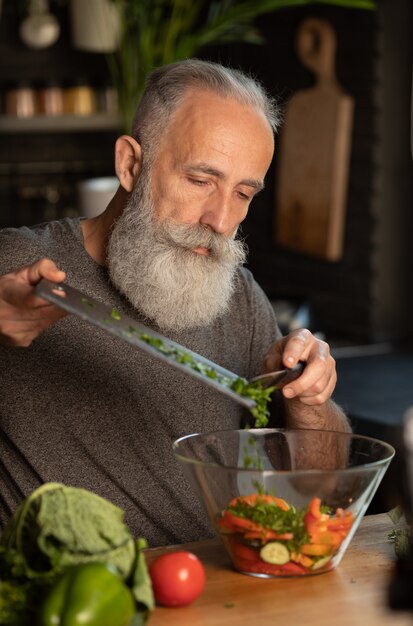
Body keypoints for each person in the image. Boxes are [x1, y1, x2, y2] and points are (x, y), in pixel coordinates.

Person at [0, 59, 350, 547]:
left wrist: (311, 404)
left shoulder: (241, 297)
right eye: (201, 180)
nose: (221, 218)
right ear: (130, 164)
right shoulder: (19, 263)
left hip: (231, 596)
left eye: (244, 192)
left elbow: (321, 488)